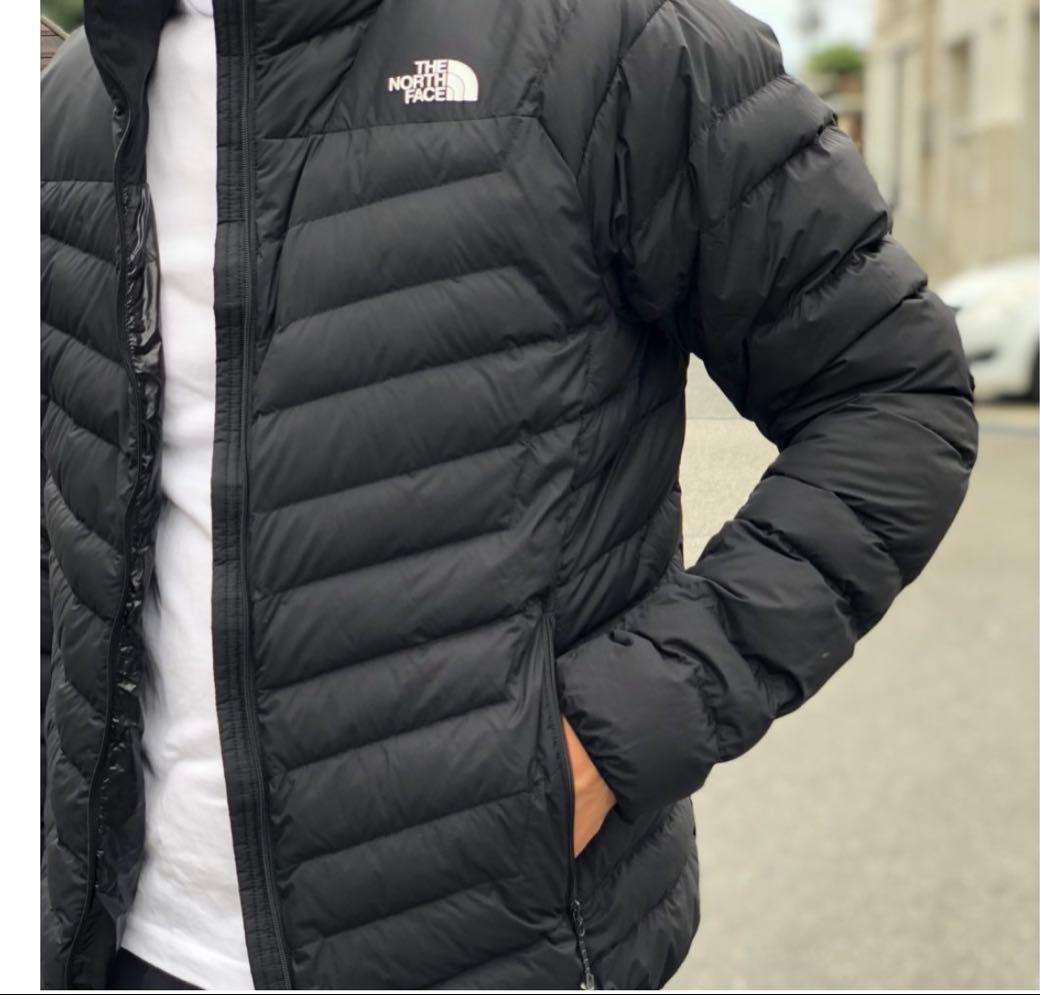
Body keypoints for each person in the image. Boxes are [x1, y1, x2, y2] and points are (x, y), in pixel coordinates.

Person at [40, 0, 978, 989]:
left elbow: (895, 399)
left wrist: (616, 730)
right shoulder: (77, 99)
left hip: (483, 940)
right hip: (124, 944)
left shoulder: (606, 39)